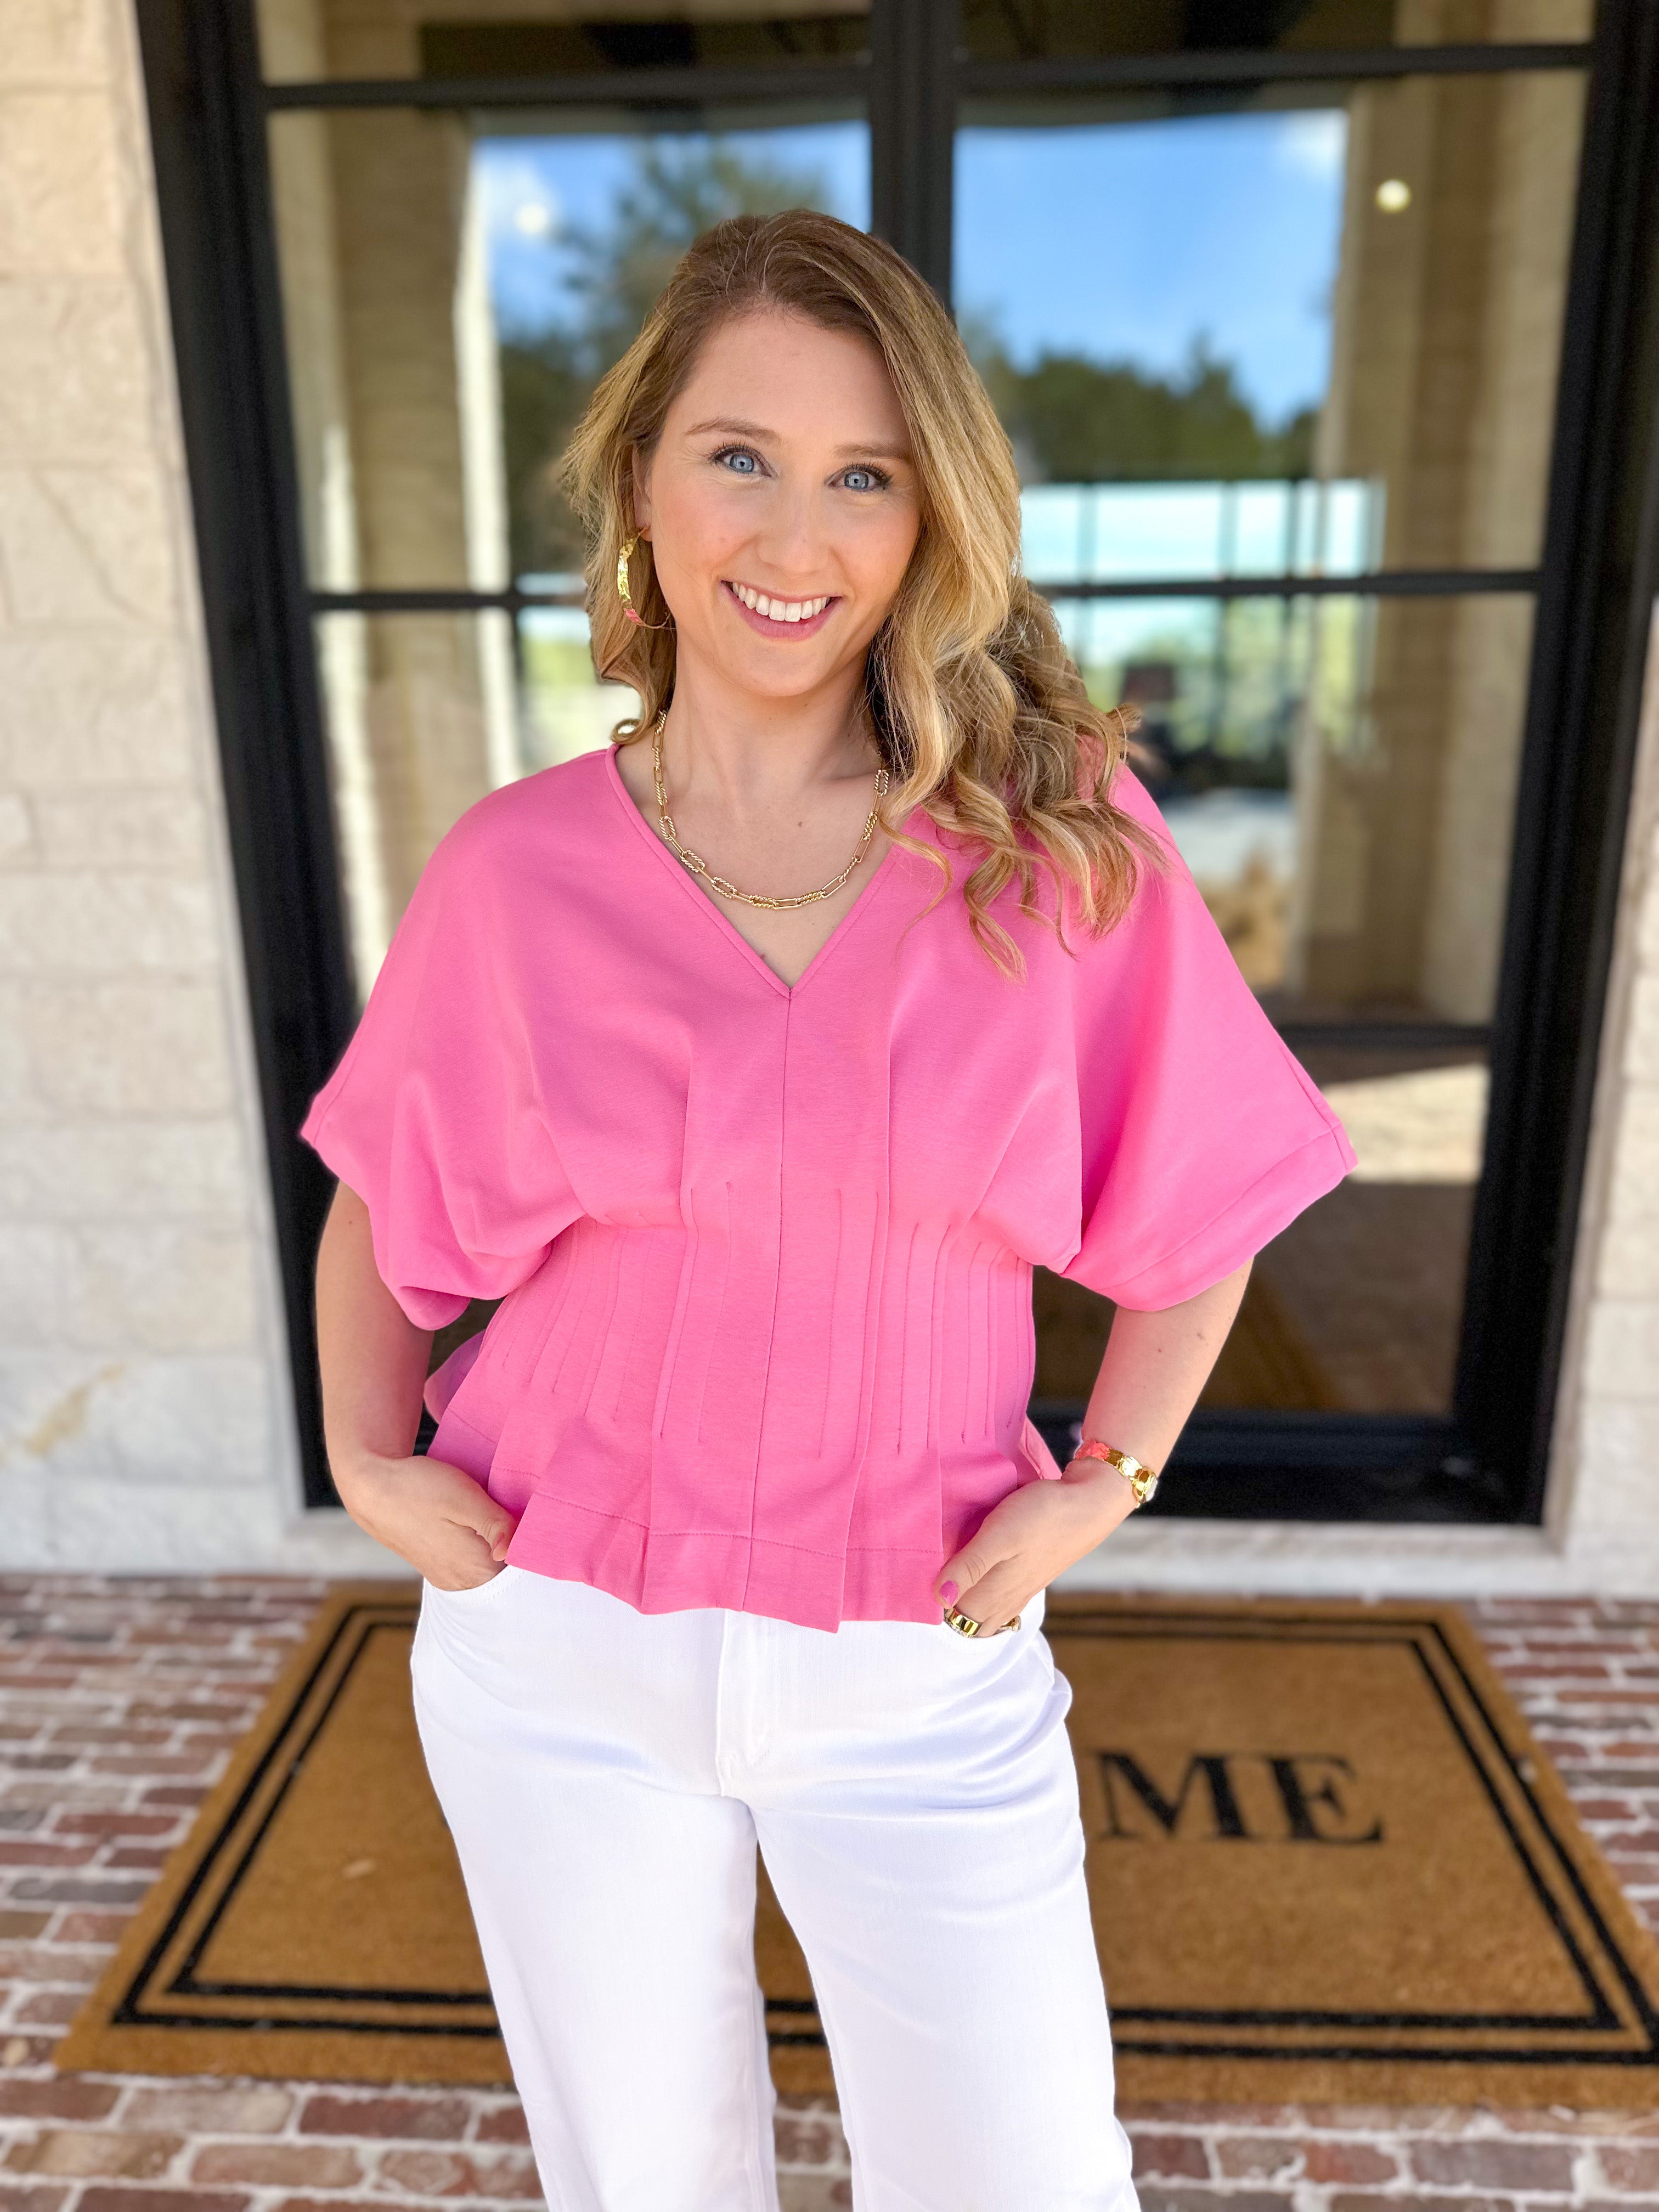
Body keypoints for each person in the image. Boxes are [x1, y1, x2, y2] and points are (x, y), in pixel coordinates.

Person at [305, 210, 1355, 2212]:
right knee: (645, 2182)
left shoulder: (1052, 842)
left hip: (919, 1654)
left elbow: (1207, 1191)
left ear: (930, 515)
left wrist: (1109, 1478)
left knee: (1023, 2180)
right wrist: (365, 1457)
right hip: (557, 1651)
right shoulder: (516, 871)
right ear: (642, 478)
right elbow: (385, 1192)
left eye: (864, 474)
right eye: (742, 456)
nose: (796, 537)